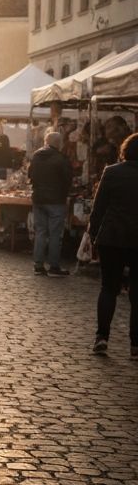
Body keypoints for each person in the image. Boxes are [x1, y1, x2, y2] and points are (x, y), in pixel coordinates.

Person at [89, 132, 138, 358]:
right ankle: (135, 345)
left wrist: (93, 236)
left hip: (112, 237)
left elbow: (99, 208)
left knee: (109, 288)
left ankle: (102, 337)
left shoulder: (112, 172)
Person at [28, 129, 73, 277]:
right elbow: (68, 179)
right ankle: (54, 265)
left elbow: (30, 175)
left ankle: (38, 265)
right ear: (59, 144)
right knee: (55, 234)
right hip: (55, 200)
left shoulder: (36, 156)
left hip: (39, 198)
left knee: (40, 232)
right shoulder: (61, 158)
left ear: (46, 142)